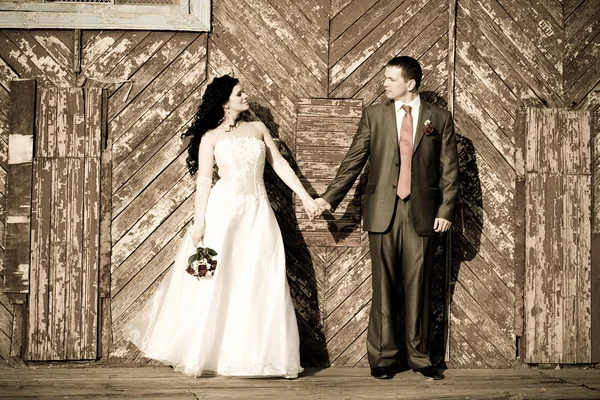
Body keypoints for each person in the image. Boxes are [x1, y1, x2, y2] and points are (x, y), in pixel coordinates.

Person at [124, 74, 319, 379]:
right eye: (240, 93)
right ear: (225, 101)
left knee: (262, 275)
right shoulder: (210, 138)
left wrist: (306, 198)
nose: (246, 97)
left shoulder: (258, 129)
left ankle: (264, 358)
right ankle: (209, 352)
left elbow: (279, 164)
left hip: (256, 209)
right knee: (215, 279)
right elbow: (204, 181)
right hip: (222, 211)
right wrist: (199, 221)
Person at [315, 56, 459, 380]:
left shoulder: (439, 119)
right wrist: (329, 197)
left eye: (391, 79)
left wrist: (446, 210)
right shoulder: (375, 116)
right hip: (382, 212)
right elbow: (353, 160)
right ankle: (382, 358)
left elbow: (450, 170)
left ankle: (421, 358)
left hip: (423, 214)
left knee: (420, 287)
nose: (384, 84)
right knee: (383, 288)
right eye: (385, 79)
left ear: (410, 83)